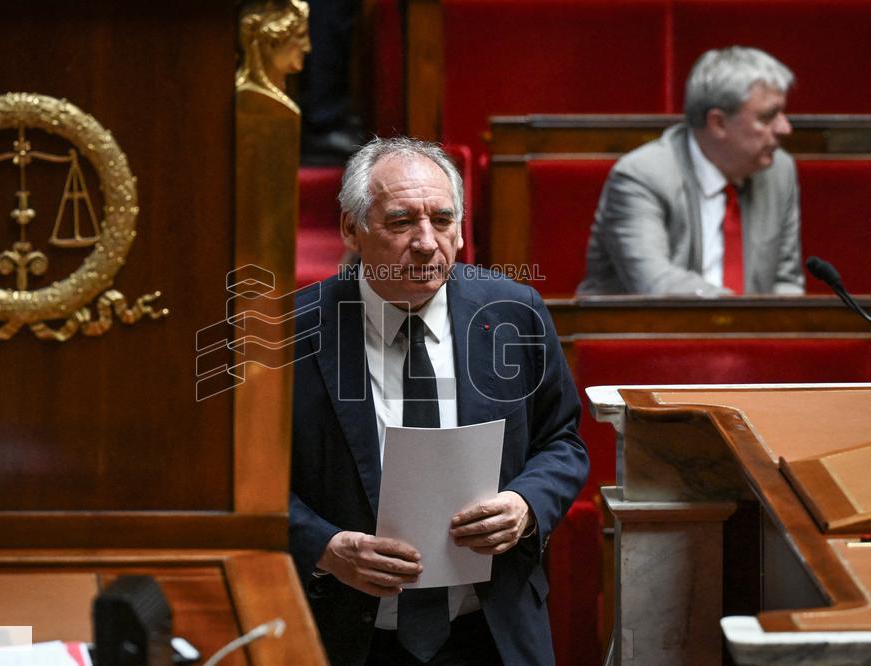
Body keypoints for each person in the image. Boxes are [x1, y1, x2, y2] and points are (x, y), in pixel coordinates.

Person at [289, 137, 589, 665]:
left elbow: (561, 441)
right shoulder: (293, 333)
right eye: (401, 222)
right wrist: (325, 548)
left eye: (443, 220)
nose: (427, 243)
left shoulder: (513, 313)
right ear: (351, 229)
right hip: (347, 635)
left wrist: (525, 504)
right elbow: (245, 482)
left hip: (491, 632)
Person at [577, 46, 804, 296]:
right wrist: (741, 313)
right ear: (718, 123)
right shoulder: (642, 177)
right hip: (653, 321)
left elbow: (786, 282)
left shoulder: (779, 172)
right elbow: (656, 284)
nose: (785, 128)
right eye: (767, 117)